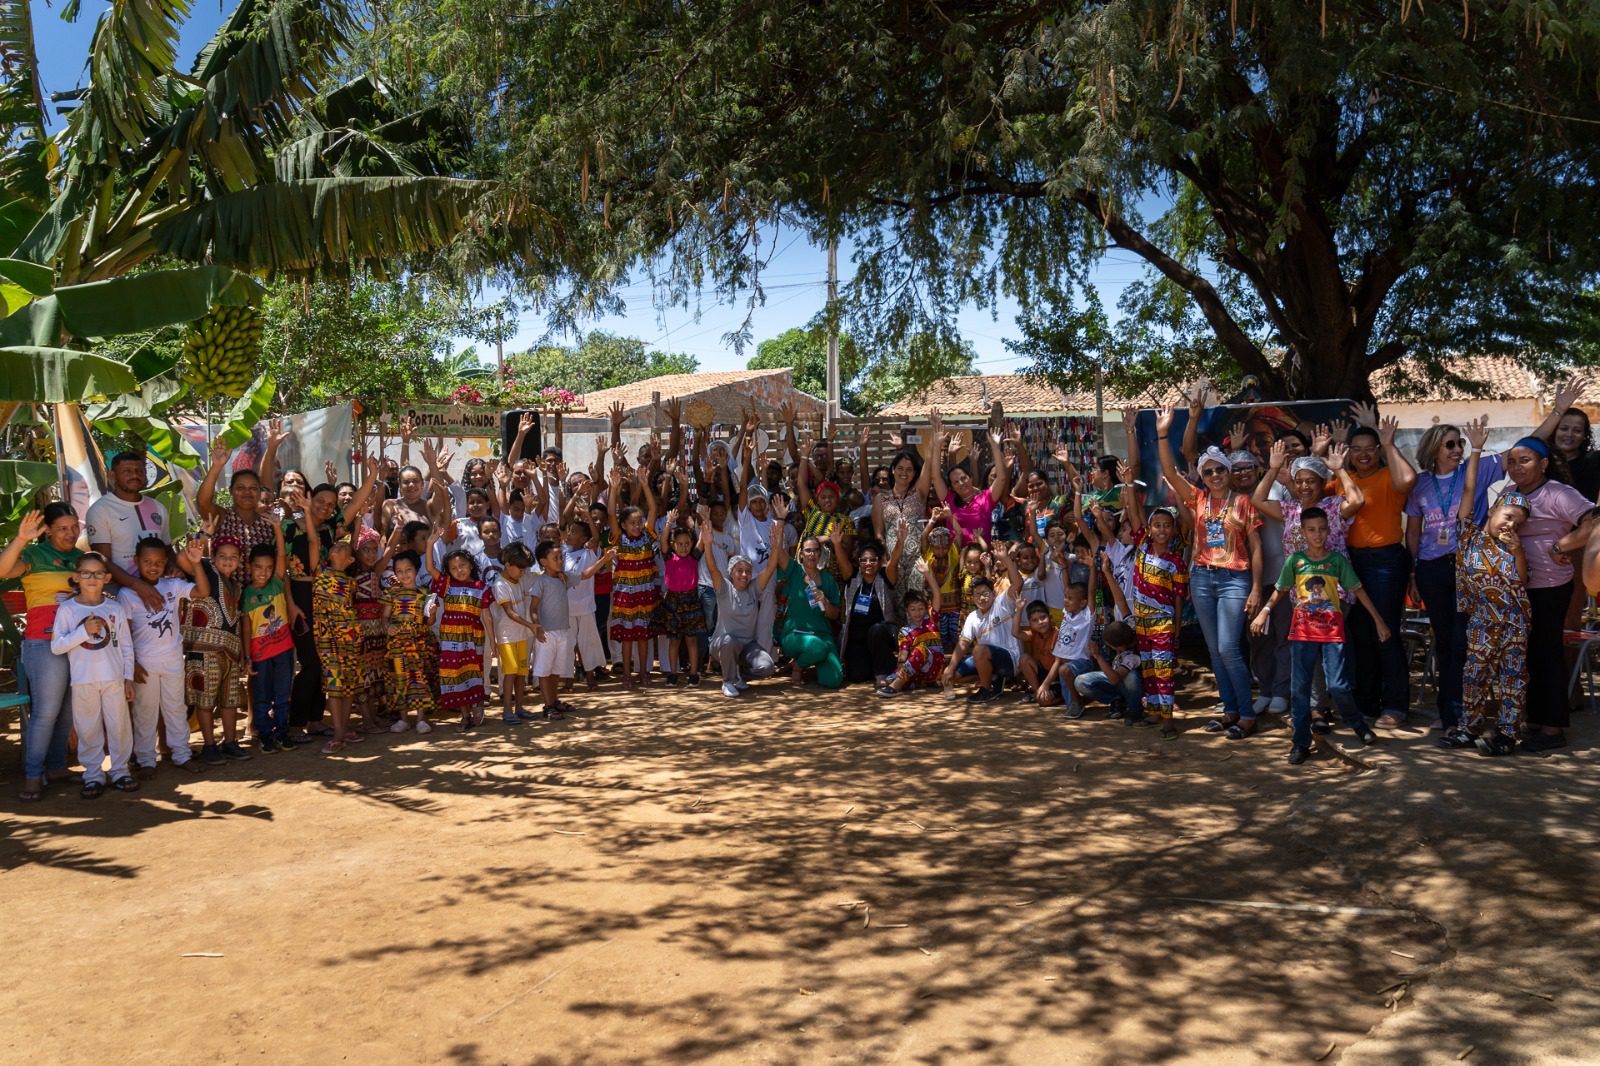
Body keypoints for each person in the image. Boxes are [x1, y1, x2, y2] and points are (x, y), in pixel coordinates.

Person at [1251, 507, 1388, 765]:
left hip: (1332, 631)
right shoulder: (1296, 561)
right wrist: (1264, 612)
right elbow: (1280, 590)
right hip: (1303, 632)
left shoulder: (1336, 561)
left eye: (1322, 529)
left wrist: (1379, 620)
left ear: (1329, 531)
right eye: (1311, 530)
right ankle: (1300, 742)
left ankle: (1356, 723)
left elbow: (1357, 590)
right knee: (1299, 689)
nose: (1317, 535)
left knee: (1338, 685)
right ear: (1302, 532)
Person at [1156, 410, 1263, 738]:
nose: (1215, 474)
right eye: (1209, 471)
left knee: (1229, 647)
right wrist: (1163, 434)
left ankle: (1247, 713)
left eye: (1220, 469)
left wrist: (1257, 588)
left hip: (1234, 579)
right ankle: (1230, 710)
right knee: (1215, 649)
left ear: (1229, 473)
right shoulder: (1197, 499)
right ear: (1202, 476)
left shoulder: (1244, 502)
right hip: (1202, 578)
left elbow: (1256, 547)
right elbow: (1169, 473)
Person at [1445, 423, 1532, 756]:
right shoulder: (1469, 536)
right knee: (1474, 674)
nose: (1510, 525)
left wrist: (1518, 550)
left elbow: (1522, 581)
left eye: (1518, 522)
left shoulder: (1513, 547)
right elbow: (1469, 491)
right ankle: (1469, 727)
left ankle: (1507, 734)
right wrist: (1477, 450)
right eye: (1508, 516)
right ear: (1494, 509)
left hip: (1514, 622)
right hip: (1481, 619)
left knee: (1512, 677)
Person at [1499, 436, 1590, 751]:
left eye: (1524, 460)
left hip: (1551, 585)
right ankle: (1534, 721)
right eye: (1511, 461)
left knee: (1548, 654)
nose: (1516, 467)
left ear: (1544, 464)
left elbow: (1594, 521)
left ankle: (1553, 729)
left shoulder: (1558, 493)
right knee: (1528, 655)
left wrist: (1561, 546)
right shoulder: (1509, 494)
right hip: (1516, 586)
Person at [1403, 420, 1483, 735]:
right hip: (1431, 567)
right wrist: (1413, 571)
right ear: (1434, 448)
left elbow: (1526, 450)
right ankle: (1450, 713)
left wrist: (1557, 413)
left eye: (1459, 443)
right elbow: (1413, 531)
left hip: (1465, 566)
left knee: (1463, 640)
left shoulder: (1470, 472)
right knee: (1445, 641)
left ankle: (1462, 713)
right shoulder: (1420, 484)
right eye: (1450, 444)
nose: (1457, 449)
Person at [1340, 407, 1417, 729]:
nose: (1362, 455)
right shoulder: (1345, 479)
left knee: (1384, 631)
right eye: (1355, 450)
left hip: (1386, 561)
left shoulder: (1389, 476)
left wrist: (1388, 443)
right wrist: (1321, 453)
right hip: (1352, 562)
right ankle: (1366, 702)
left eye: (1368, 449)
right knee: (1359, 634)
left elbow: (1409, 479)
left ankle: (1396, 704)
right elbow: (1312, 495)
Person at [0, 506, 84, 800]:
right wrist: (21, 539)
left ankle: (57, 766)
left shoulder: (80, 558)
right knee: (46, 712)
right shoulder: (34, 556)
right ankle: (33, 775)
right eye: (62, 528)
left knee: (67, 713)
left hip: (77, 642)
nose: (71, 533)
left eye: (74, 526)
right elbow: (2, 570)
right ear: (47, 529)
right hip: (43, 643)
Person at [50, 552, 138, 798]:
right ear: (76, 577)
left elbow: (126, 646)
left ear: (107, 577)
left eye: (98, 574)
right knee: (88, 729)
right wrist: (83, 632)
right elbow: (57, 646)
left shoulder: (114, 608)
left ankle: (120, 771)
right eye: (86, 573)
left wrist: (128, 677)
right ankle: (93, 775)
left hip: (114, 678)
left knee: (119, 725)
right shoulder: (68, 609)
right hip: (83, 679)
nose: (92, 578)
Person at [122, 535, 209, 774]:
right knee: (145, 712)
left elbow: (203, 591)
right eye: (147, 561)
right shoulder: (127, 594)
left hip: (172, 661)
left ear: (166, 563)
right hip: (145, 665)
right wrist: (133, 665)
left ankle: (181, 753)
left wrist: (197, 563)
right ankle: (146, 759)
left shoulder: (172, 586)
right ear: (136, 561)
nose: (153, 567)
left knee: (176, 709)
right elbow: (125, 634)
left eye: (159, 562)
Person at [1123, 486, 1187, 735]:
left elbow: (1179, 599)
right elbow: (1135, 514)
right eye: (1157, 525)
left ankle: (1169, 719)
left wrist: (1177, 626)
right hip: (1142, 623)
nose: (1161, 529)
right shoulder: (1142, 547)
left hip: (1164, 623)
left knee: (1163, 671)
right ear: (1150, 529)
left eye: (1166, 525)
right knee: (1149, 668)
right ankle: (1154, 712)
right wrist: (1129, 485)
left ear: (1173, 530)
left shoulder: (1176, 562)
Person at [703, 499, 784, 697]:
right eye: (739, 571)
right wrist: (707, 544)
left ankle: (738, 673)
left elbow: (771, 568)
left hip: (748, 646)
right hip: (723, 644)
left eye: (748, 571)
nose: (744, 575)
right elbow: (712, 568)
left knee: (767, 667)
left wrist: (775, 546)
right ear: (732, 573)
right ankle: (728, 681)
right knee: (729, 641)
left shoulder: (754, 588)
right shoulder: (724, 588)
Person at [183, 531, 251, 764]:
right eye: (222, 555)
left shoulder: (237, 587)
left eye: (234, 556)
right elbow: (186, 559)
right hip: (204, 650)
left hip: (230, 652)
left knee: (230, 699)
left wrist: (243, 654)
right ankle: (209, 746)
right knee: (205, 700)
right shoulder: (207, 573)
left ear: (240, 561)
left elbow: (239, 622)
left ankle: (231, 741)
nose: (228, 560)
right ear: (213, 557)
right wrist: (204, 534)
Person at [85, 449, 168, 611]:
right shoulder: (100, 510)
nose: (134, 475)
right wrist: (139, 586)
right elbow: (103, 561)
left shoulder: (158, 507)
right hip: (118, 594)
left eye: (139, 471)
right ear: (113, 476)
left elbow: (166, 550)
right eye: (127, 471)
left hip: (156, 590)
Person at [426, 536, 495, 731]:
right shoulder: (447, 585)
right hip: (449, 638)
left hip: (474, 638)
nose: (459, 570)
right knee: (454, 675)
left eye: (463, 565)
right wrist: (430, 544)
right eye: (454, 568)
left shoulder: (481, 589)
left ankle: (478, 707)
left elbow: (487, 617)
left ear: (471, 566)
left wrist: (494, 642)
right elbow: (431, 569)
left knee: (475, 673)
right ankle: (464, 715)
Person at [943, 541, 1025, 703]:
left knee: (979, 650)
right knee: (956, 675)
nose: (981, 598)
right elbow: (963, 645)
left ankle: (987, 689)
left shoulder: (1002, 602)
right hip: (988, 658)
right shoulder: (972, 616)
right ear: (972, 598)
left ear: (993, 593)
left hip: (1010, 658)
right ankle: (993, 677)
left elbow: (1018, 583)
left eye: (985, 593)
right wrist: (950, 668)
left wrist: (1006, 559)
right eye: (977, 595)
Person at [240, 524, 297, 754]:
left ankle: (282, 733)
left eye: (268, 568)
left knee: (283, 695)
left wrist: (277, 528)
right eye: (257, 567)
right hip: (260, 654)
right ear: (248, 567)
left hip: (284, 650)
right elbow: (245, 628)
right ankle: (265, 736)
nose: (263, 572)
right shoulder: (247, 595)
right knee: (262, 697)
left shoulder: (277, 583)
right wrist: (246, 656)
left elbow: (282, 554)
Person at [311, 517, 364, 754]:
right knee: (334, 683)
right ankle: (339, 732)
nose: (338, 546)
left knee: (348, 683)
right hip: (326, 637)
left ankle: (341, 731)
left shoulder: (351, 582)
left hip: (349, 636)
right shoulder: (319, 571)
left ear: (350, 560)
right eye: (336, 545)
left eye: (344, 548)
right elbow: (314, 540)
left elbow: (350, 543)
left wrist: (359, 521)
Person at [607, 463, 662, 689]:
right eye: (633, 523)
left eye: (639, 522)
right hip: (626, 596)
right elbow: (611, 512)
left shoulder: (648, 537)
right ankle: (627, 675)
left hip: (645, 594)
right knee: (628, 637)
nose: (638, 525)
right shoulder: (619, 539)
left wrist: (645, 485)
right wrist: (613, 489)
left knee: (643, 635)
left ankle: (644, 673)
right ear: (623, 525)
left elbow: (652, 509)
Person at [928, 406, 1013, 546]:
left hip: (980, 559)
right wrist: (937, 443)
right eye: (955, 482)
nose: (961, 483)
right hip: (956, 560)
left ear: (971, 478)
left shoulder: (985, 499)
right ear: (952, 488)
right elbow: (936, 476)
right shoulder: (948, 500)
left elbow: (1001, 478)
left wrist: (995, 447)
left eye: (963, 478)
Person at [837, 533, 906, 688]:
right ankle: (877, 667)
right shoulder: (853, 576)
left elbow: (894, 561)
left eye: (873, 559)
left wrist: (900, 542)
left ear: (879, 561)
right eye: (864, 560)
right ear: (858, 562)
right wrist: (836, 543)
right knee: (857, 676)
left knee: (876, 630)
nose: (868, 563)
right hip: (858, 639)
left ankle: (881, 673)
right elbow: (842, 562)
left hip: (882, 636)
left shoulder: (885, 576)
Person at [381, 551, 438, 734]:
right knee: (399, 679)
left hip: (419, 644)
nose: (404, 574)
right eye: (399, 571)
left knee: (419, 679)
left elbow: (429, 622)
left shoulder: (424, 594)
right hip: (397, 645)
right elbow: (384, 618)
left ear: (416, 570)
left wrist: (434, 614)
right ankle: (403, 719)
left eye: (408, 570)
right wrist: (387, 627)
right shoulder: (392, 593)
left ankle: (421, 719)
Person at [778, 534, 844, 689]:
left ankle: (810, 660)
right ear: (801, 553)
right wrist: (780, 522)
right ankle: (798, 666)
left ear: (820, 553)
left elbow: (834, 615)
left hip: (822, 635)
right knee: (818, 648)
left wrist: (825, 602)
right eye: (808, 550)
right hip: (795, 634)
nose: (812, 554)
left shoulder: (828, 580)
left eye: (815, 550)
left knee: (833, 680)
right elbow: (778, 551)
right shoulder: (794, 571)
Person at [490, 542, 539, 724]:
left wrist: (527, 627)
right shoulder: (500, 584)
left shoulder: (516, 580)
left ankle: (519, 708)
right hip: (507, 636)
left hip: (521, 635)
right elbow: (510, 613)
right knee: (510, 674)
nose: (523, 572)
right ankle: (507, 711)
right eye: (521, 568)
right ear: (509, 564)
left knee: (521, 673)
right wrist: (531, 625)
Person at [562, 520, 613, 690]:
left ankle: (590, 677)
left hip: (585, 607)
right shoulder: (562, 553)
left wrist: (587, 516)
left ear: (583, 538)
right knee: (568, 645)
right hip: (567, 608)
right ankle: (568, 680)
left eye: (574, 532)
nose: (569, 534)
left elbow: (597, 537)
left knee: (587, 643)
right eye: (569, 530)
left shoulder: (589, 553)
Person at [527, 539, 575, 719]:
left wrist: (603, 560)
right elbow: (533, 608)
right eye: (555, 558)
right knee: (544, 670)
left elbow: (585, 575)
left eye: (561, 557)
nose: (560, 560)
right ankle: (548, 706)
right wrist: (537, 626)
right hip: (546, 633)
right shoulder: (541, 582)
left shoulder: (563, 579)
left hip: (563, 630)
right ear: (543, 562)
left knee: (556, 670)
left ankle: (554, 701)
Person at [878, 578, 946, 697]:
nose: (917, 612)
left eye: (920, 608)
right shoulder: (905, 631)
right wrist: (900, 666)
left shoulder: (930, 620)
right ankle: (916, 682)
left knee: (921, 649)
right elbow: (903, 652)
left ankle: (895, 687)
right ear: (907, 611)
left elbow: (937, 594)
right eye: (913, 609)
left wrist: (927, 574)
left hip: (936, 667)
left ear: (926, 608)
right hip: (918, 669)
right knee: (891, 677)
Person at [660, 524, 707, 686]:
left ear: (691, 544)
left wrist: (705, 522)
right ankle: (673, 673)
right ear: (673, 545)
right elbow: (662, 541)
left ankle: (694, 674)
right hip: (672, 602)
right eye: (680, 544)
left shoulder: (694, 557)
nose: (684, 547)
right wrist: (668, 524)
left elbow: (702, 541)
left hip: (691, 602)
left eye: (687, 543)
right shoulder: (668, 557)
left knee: (691, 640)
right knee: (674, 641)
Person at [1041, 582, 1095, 718]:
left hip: (1082, 662)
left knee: (1064, 670)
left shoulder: (1086, 617)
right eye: (1065, 597)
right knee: (1054, 696)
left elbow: (1091, 591)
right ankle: (1076, 703)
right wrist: (1064, 568)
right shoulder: (1066, 614)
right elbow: (1066, 584)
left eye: (1070, 598)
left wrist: (1093, 568)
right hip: (1065, 667)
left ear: (1082, 603)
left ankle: (1078, 703)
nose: (1065, 600)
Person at [1072, 620, 1144, 721]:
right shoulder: (1128, 635)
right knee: (1080, 682)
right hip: (1114, 679)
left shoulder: (1132, 657)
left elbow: (1115, 679)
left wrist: (1098, 656)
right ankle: (1116, 700)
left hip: (1123, 683)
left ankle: (1134, 711)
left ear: (1119, 646)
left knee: (1131, 676)